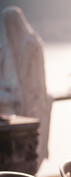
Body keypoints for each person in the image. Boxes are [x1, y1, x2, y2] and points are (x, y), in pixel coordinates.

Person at [0, 6, 52, 166]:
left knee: (32, 143)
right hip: (10, 104)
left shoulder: (31, 45)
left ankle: (28, 176)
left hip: (31, 102)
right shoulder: (6, 48)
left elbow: (38, 78)